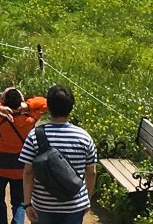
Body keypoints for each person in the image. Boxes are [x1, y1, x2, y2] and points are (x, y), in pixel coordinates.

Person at [18, 85, 97, 224]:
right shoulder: (84, 137)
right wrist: (86, 200)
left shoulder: (34, 136)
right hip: (74, 204)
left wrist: (27, 204)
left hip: (43, 206)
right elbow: (91, 173)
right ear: (71, 107)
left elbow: (28, 173)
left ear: (48, 106)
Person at [0, 88, 49, 224]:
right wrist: (28, 106)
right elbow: (44, 102)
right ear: (21, 102)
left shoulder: (0, 120)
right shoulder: (30, 120)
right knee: (19, 202)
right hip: (21, 167)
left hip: (0, 165)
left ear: (5, 103)